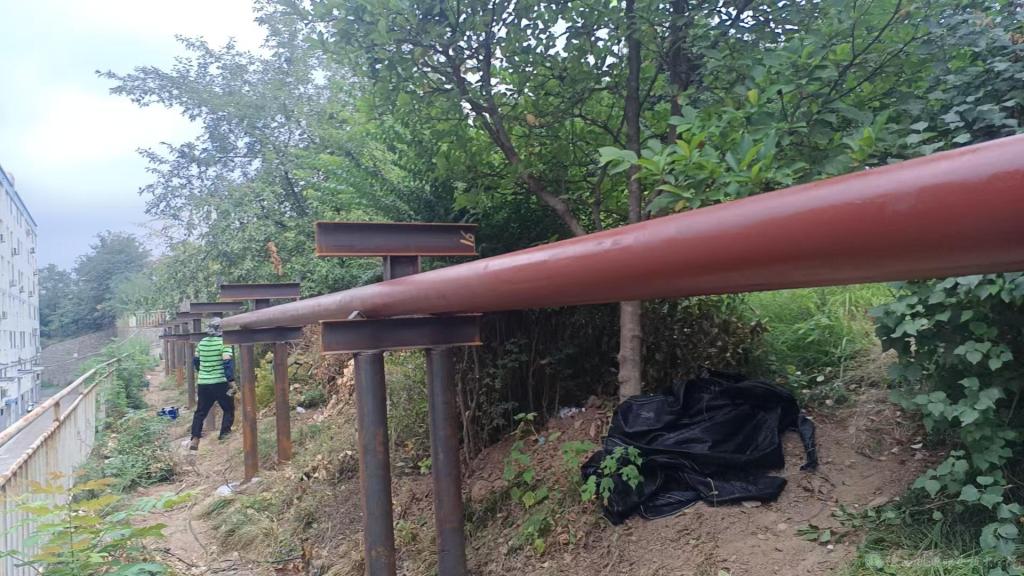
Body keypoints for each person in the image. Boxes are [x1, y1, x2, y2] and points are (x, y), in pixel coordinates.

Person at [189, 317, 235, 450]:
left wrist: (203, 372)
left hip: (203, 383)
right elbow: (227, 362)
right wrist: (231, 381)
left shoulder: (202, 343)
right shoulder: (224, 343)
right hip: (220, 383)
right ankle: (224, 435)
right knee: (228, 409)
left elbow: (196, 361)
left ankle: (195, 438)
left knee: (200, 412)